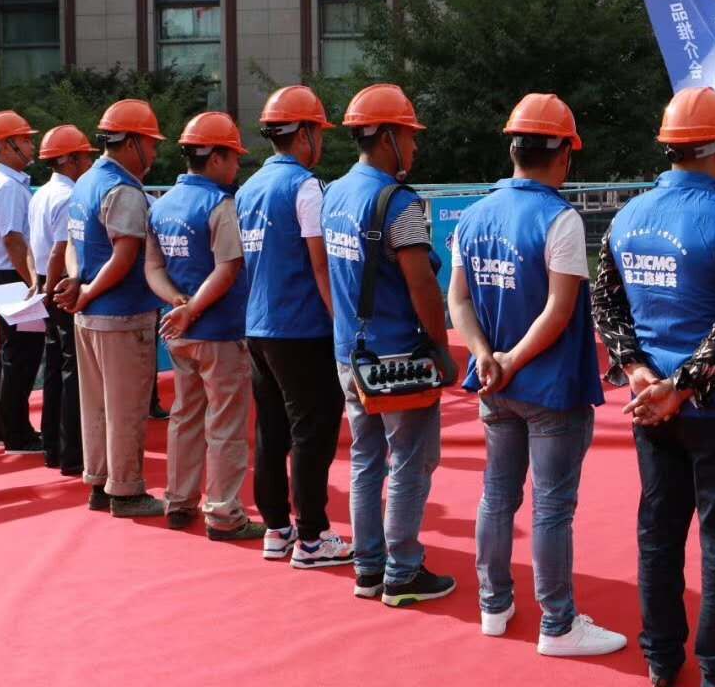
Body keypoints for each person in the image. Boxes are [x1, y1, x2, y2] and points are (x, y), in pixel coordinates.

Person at [592, 86, 715, 687]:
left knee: (659, 532)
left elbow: (606, 305)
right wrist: (681, 387)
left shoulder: (627, 217)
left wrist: (639, 372)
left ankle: (660, 657)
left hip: (652, 409)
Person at [448, 93, 626, 656]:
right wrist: (512, 360)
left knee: (497, 496)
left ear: (514, 149)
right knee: (551, 507)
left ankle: (493, 605)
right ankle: (558, 623)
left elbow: (458, 300)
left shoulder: (474, 215)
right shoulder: (560, 218)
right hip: (549, 387)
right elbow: (559, 310)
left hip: (495, 386)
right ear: (564, 154)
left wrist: (485, 355)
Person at [322, 83, 455, 607]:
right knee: (409, 463)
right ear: (386, 138)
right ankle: (402, 571)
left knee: (365, 459)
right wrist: (441, 347)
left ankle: (369, 567)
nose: (415, 146)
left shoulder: (334, 193)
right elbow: (422, 284)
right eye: (409, 135)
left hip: (350, 355)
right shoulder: (399, 204)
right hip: (398, 357)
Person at [236, 85, 354, 567]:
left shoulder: (248, 188)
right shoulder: (305, 187)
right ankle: (312, 537)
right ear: (304, 134)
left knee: (271, 431)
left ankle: (277, 529)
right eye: (319, 131)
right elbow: (321, 265)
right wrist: (343, 324)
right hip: (302, 329)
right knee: (313, 433)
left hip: (259, 328)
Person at [145, 112, 266, 542]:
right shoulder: (220, 205)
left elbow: (153, 268)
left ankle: (179, 500)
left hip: (181, 333)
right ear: (215, 157)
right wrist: (192, 308)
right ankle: (224, 513)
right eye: (233, 157)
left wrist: (177, 305)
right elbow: (228, 268)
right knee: (226, 424)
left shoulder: (161, 205)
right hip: (219, 332)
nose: (237, 166)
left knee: (185, 416)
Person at [53, 99, 166, 518]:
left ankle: (100, 482)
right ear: (132, 142)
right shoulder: (124, 191)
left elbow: (73, 242)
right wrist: (85, 291)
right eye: (151, 143)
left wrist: (77, 283)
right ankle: (127, 491)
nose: (155, 152)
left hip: (89, 316)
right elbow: (124, 255)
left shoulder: (85, 182)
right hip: (122, 315)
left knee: (97, 406)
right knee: (127, 408)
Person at [27, 124, 97, 474]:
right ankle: (73, 454)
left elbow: (33, 246)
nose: (89, 163)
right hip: (60, 284)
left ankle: (52, 447)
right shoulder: (70, 196)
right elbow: (60, 249)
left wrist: (38, 284)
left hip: (47, 281)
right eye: (84, 157)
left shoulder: (40, 194)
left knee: (55, 367)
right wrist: (52, 289)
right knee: (72, 372)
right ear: (69, 159)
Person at [0, 109, 45, 454]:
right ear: (6, 146)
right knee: (22, 355)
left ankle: (4, 428)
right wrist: (34, 283)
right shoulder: (8, 187)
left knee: (8, 353)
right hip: (14, 276)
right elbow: (14, 240)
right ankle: (18, 434)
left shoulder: (5, 182)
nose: (32, 146)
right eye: (25, 140)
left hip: (6, 275)